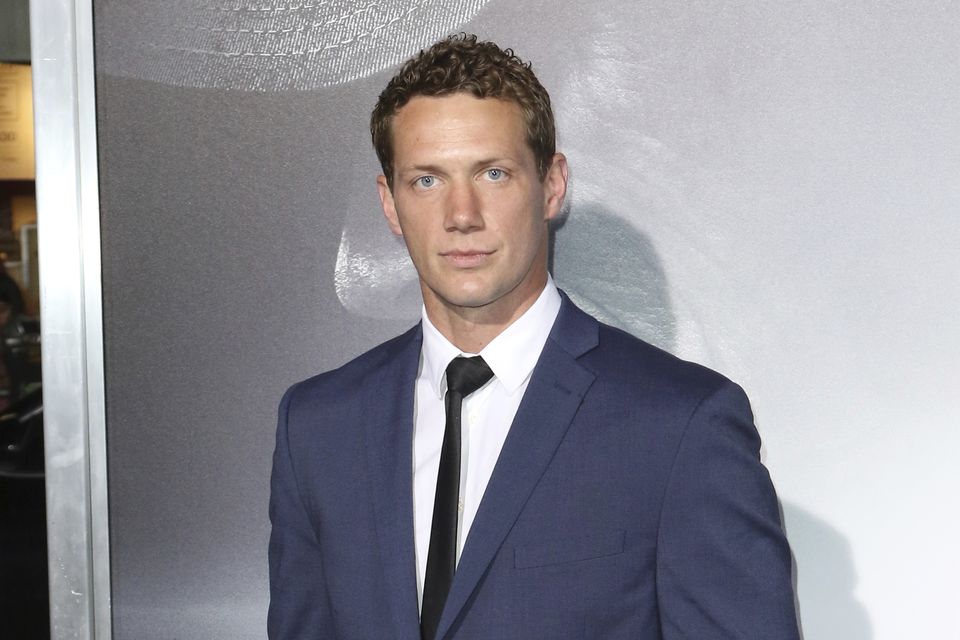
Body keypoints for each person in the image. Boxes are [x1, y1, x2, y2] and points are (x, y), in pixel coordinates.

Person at [268, 34, 800, 639]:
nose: (461, 213)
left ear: (552, 185)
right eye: (426, 181)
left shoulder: (679, 425)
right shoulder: (316, 427)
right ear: (389, 204)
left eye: (492, 173)